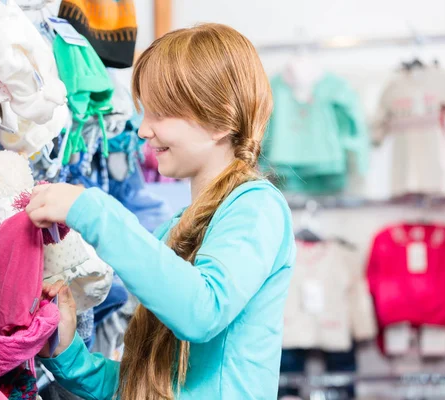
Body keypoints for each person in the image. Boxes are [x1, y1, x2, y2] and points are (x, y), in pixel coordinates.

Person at [26, 23, 296, 400]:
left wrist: (92, 209)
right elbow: (149, 388)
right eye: (144, 112)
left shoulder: (257, 207)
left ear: (219, 119)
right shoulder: (176, 228)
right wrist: (68, 355)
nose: (143, 130)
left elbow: (201, 312)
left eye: (161, 113)